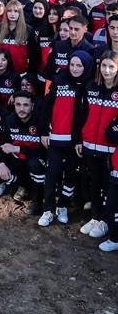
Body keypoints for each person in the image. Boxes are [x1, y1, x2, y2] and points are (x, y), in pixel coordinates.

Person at [38, 50, 91, 227]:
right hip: (56, 138)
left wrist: (80, 140)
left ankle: (63, 206)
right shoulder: (60, 80)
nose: (75, 68)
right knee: (52, 173)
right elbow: (46, 107)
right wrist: (44, 131)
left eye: (79, 65)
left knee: (69, 175)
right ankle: (48, 209)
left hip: (75, 143)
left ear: (87, 67)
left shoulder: (90, 86)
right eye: (72, 64)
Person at [78, 51, 118, 240]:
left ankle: (104, 221)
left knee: (106, 186)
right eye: (104, 66)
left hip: (109, 149)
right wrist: (79, 139)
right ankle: (95, 217)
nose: (107, 70)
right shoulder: (91, 86)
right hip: (89, 144)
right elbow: (83, 114)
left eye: (111, 66)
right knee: (93, 184)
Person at [0, 90, 45, 213]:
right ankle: (25, 187)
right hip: (19, 161)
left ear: (32, 106)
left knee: (34, 163)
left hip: (38, 161)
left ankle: (38, 201)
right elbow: (3, 145)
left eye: (25, 105)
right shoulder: (10, 120)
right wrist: (1, 164)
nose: (21, 108)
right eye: (18, 104)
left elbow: (43, 151)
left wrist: (18, 148)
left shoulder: (41, 121)